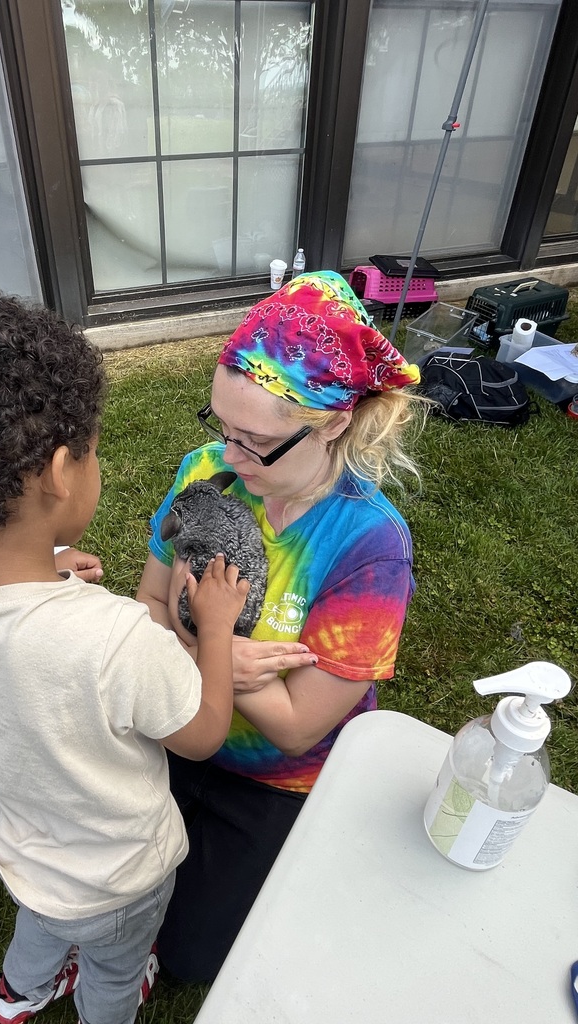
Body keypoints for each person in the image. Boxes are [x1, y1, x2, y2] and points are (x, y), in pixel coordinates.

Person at [0, 289, 250, 1024]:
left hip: (24, 855)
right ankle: (108, 1006)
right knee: (115, 966)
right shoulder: (115, 637)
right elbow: (201, 734)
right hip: (121, 878)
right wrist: (218, 629)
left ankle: (20, 994)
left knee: (39, 932)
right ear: (61, 471)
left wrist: (46, 570)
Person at [136, 270, 426, 982]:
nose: (228, 457)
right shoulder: (204, 472)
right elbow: (146, 605)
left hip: (278, 779)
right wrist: (220, 653)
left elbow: (298, 727)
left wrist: (198, 636)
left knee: (186, 957)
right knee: (108, 892)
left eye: (255, 441)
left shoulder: (368, 544)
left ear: (332, 421)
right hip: (177, 722)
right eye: (222, 426)